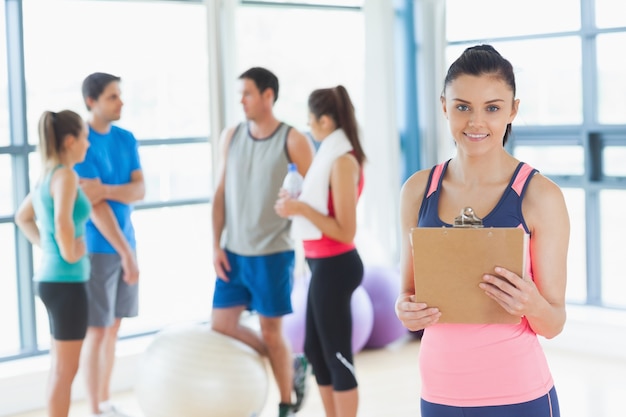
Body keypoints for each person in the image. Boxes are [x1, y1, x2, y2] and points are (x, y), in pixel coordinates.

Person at [395, 44, 569, 417]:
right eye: (462, 107)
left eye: (492, 108)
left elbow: (553, 322)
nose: (476, 123)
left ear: (512, 110)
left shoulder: (541, 197)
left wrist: (530, 304)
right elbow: (406, 296)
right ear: (444, 105)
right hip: (439, 395)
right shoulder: (416, 190)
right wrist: (405, 311)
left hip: (518, 396)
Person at [211, 67, 315, 417]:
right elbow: (221, 192)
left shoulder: (293, 139)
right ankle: (291, 363)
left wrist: (297, 203)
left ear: (268, 96)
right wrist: (215, 245)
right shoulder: (232, 135)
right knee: (221, 325)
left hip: (272, 254)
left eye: (248, 93)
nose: (241, 100)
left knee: (273, 334)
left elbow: (315, 197)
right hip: (233, 253)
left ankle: (286, 402)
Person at [274, 85, 366, 417]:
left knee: (337, 353)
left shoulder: (342, 161)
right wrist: (296, 205)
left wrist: (300, 209)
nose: (310, 129)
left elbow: (345, 230)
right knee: (314, 349)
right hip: (321, 265)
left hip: (337, 264)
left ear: (325, 121)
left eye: (311, 122)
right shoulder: (330, 154)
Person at [74, 72, 145, 417]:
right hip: (98, 249)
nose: (120, 102)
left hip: (124, 243)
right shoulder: (80, 142)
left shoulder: (126, 138)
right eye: (112, 97)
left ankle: (104, 401)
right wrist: (126, 253)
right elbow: (95, 207)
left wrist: (105, 188)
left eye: (120, 95)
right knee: (98, 331)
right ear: (92, 101)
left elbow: (140, 190)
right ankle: (94, 408)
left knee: (114, 328)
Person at [15, 110, 91, 417]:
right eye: (85, 138)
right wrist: (70, 252)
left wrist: (49, 247)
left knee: (59, 368)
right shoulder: (65, 176)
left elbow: (23, 218)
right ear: (70, 140)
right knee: (66, 370)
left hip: (51, 280)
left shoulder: (47, 175)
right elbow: (62, 221)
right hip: (67, 282)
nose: (88, 144)